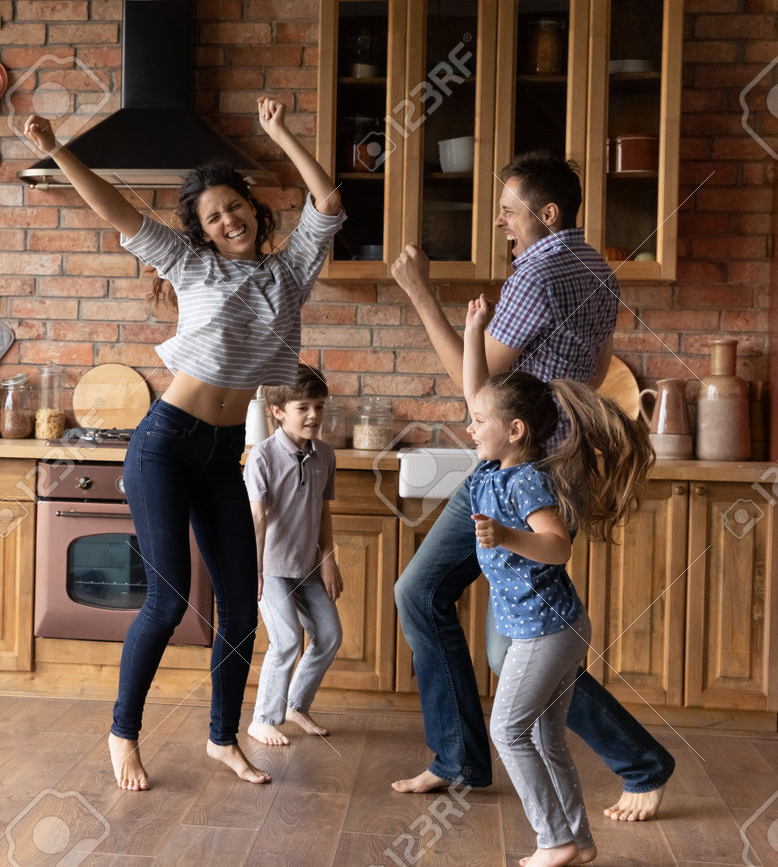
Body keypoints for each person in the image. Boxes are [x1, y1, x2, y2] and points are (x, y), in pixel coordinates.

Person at [21, 97, 344, 791]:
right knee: (167, 602)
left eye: (235, 206)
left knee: (241, 606)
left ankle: (223, 739)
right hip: (165, 445)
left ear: (254, 208)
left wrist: (281, 132)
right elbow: (117, 212)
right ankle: (123, 733)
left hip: (223, 454)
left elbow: (326, 199)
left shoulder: (291, 272)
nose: (228, 220)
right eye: (213, 216)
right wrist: (59, 150)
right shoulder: (191, 265)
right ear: (201, 230)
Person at [389, 150, 675, 822]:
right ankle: (460, 757)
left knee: (483, 627)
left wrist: (420, 293)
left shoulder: (538, 272)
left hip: (522, 469)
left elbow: (479, 387)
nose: (499, 222)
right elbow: (596, 369)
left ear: (546, 214)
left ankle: (638, 762)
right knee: (477, 625)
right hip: (546, 463)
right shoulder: (597, 269)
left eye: (508, 210)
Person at [460, 293, 655, 867]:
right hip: (551, 627)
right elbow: (479, 395)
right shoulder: (495, 466)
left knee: (508, 732)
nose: (469, 426)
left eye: (479, 423)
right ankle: (578, 842)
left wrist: (505, 536)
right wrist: (474, 332)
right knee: (545, 737)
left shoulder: (526, 481)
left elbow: (558, 545)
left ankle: (555, 841)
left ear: (515, 430)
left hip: (545, 632)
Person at [244, 364, 344, 747]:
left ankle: (295, 706)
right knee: (286, 640)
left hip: (307, 566)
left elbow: (323, 511)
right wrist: (254, 571)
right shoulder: (262, 457)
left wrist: (328, 558)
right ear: (278, 411)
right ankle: (262, 720)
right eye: (303, 408)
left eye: (319, 406)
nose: (314, 415)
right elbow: (257, 518)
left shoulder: (325, 455)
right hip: (269, 568)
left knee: (329, 636)